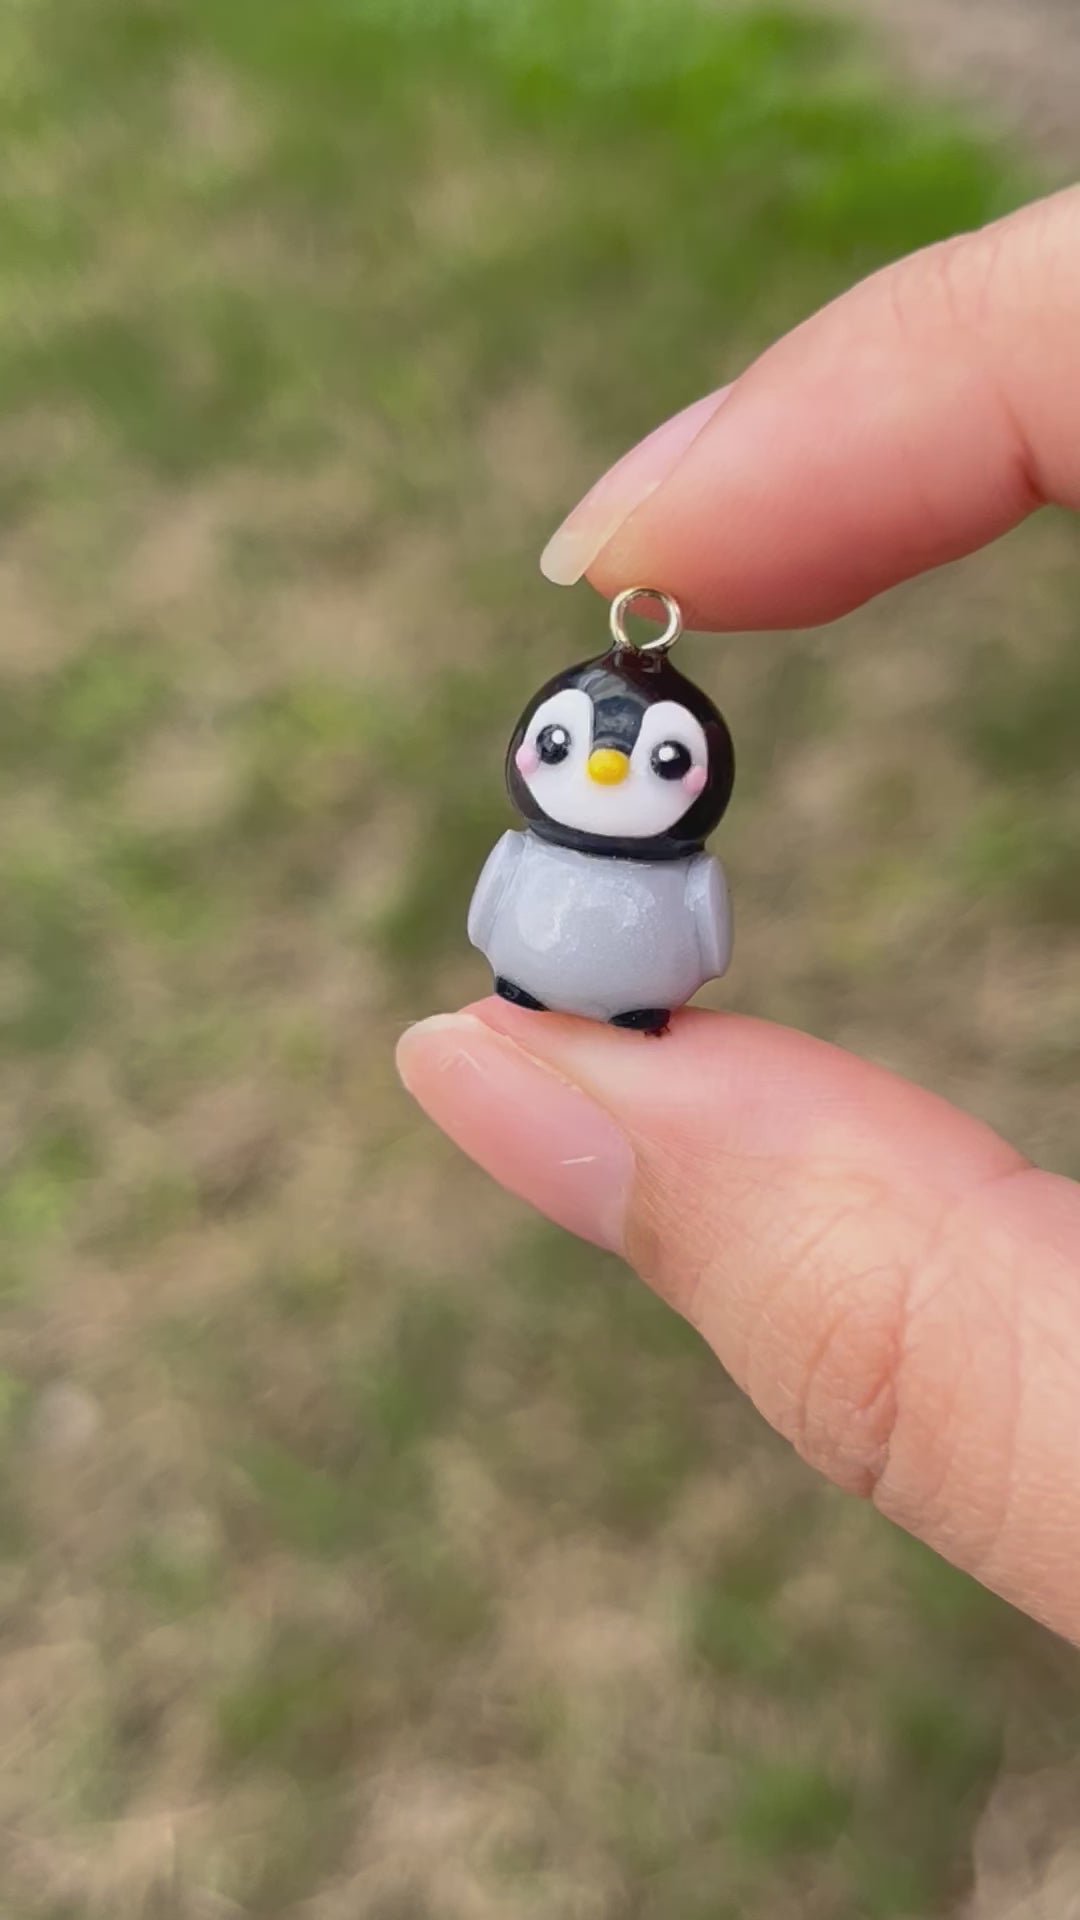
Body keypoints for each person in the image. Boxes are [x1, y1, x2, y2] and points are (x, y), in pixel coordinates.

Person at [398, 186, 1080, 1646]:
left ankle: (587, 1014)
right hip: (546, 956)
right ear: (535, 754)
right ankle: (546, 1003)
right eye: (580, 750)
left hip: (633, 978)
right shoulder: (534, 851)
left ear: (693, 773)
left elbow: (700, 930)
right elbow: (516, 895)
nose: (603, 767)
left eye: (642, 760)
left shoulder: (679, 871)